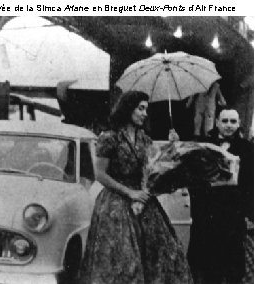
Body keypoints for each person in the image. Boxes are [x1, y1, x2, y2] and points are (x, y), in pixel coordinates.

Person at [78, 91, 193, 284]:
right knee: (122, 258)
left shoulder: (145, 139)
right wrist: (130, 193)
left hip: (143, 198)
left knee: (163, 252)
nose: (144, 113)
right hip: (116, 201)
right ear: (127, 109)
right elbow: (99, 174)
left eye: (146, 109)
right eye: (141, 108)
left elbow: (153, 168)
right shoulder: (110, 137)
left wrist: (173, 146)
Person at [187, 107, 254, 284]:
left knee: (233, 266)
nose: (229, 125)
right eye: (225, 121)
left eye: (233, 121)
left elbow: (251, 184)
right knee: (209, 266)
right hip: (208, 213)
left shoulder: (247, 149)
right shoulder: (203, 144)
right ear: (217, 123)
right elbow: (192, 175)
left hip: (234, 214)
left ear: (239, 124)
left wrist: (249, 214)